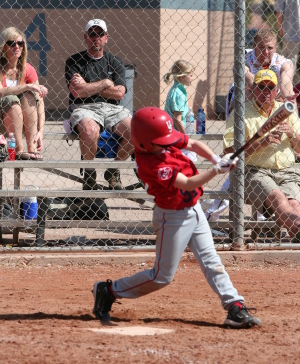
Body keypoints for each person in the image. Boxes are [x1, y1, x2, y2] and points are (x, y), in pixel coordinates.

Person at [92, 107, 262, 329]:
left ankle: (234, 306)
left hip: (194, 209)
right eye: (164, 140)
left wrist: (215, 158)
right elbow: (189, 183)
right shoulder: (152, 165)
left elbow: (191, 144)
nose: (169, 142)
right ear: (144, 143)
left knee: (211, 261)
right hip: (172, 218)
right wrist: (216, 171)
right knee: (161, 277)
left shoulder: (158, 140)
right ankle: (109, 290)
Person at [204, 30, 295, 222]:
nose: (266, 52)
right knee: (240, 154)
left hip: (270, 107)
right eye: (262, 47)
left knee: (268, 158)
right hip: (245, 105)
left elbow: (286, 82)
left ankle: (264, 215)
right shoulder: (244, 57)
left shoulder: (282, 61)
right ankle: (215, 209)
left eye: (270, 48)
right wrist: (263, 89)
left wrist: (284, 97)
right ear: (255, 47)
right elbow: (248, 78)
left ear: (275, 48)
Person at [224, 69, 300, 241]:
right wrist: (262, 143)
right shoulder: (241, 114)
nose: (266, 92)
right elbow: (230, 152)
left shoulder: (286, 112)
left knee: (295, 203)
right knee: (277, 196)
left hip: (287, 172)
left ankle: (297, 234)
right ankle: (298, 231)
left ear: (276, 92)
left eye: (270, 88)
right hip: (253, 171)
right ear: (253, 90)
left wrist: (292, 135)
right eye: (261, 87)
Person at [65, 19, 133, 190]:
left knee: (136, 132)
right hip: (85, 108)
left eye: (100, 34)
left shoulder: (115, 61)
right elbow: (76, 92)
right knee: (89, 131)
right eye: (92, 34)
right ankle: (89, 172)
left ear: (106, 38)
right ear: (85, 37)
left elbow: (119, 93)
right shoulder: (74, 61)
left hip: (113, 108)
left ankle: (113, 170)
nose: (96, 38)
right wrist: (105, 82)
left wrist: (87, 85)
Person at [0, 27, 48, 160]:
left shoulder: (28, 69)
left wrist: (41, 132)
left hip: (21, 121)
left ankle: (31, 149)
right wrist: (26, 86)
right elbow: (1, 91)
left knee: (29, 96)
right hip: (2, 120)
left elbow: (40, 102)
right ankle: (19, 151)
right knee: (12, 99)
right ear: (3, 47)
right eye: (12, 43)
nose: (17, 47)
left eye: (20, 43)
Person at [163, 59, 197, 162]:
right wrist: (186, 138)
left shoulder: (175, 90)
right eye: (190, 75)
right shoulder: (179, 94)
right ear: (182, 77)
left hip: (171, 135)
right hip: (177, 137)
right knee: (190, 162)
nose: (192, 78)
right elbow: (177, 120)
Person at [275, 0, 300, 84]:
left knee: (288, 71)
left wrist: (281, 31)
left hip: (290, 36)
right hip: (290, 36)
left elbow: (279, 14)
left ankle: (287, 97)